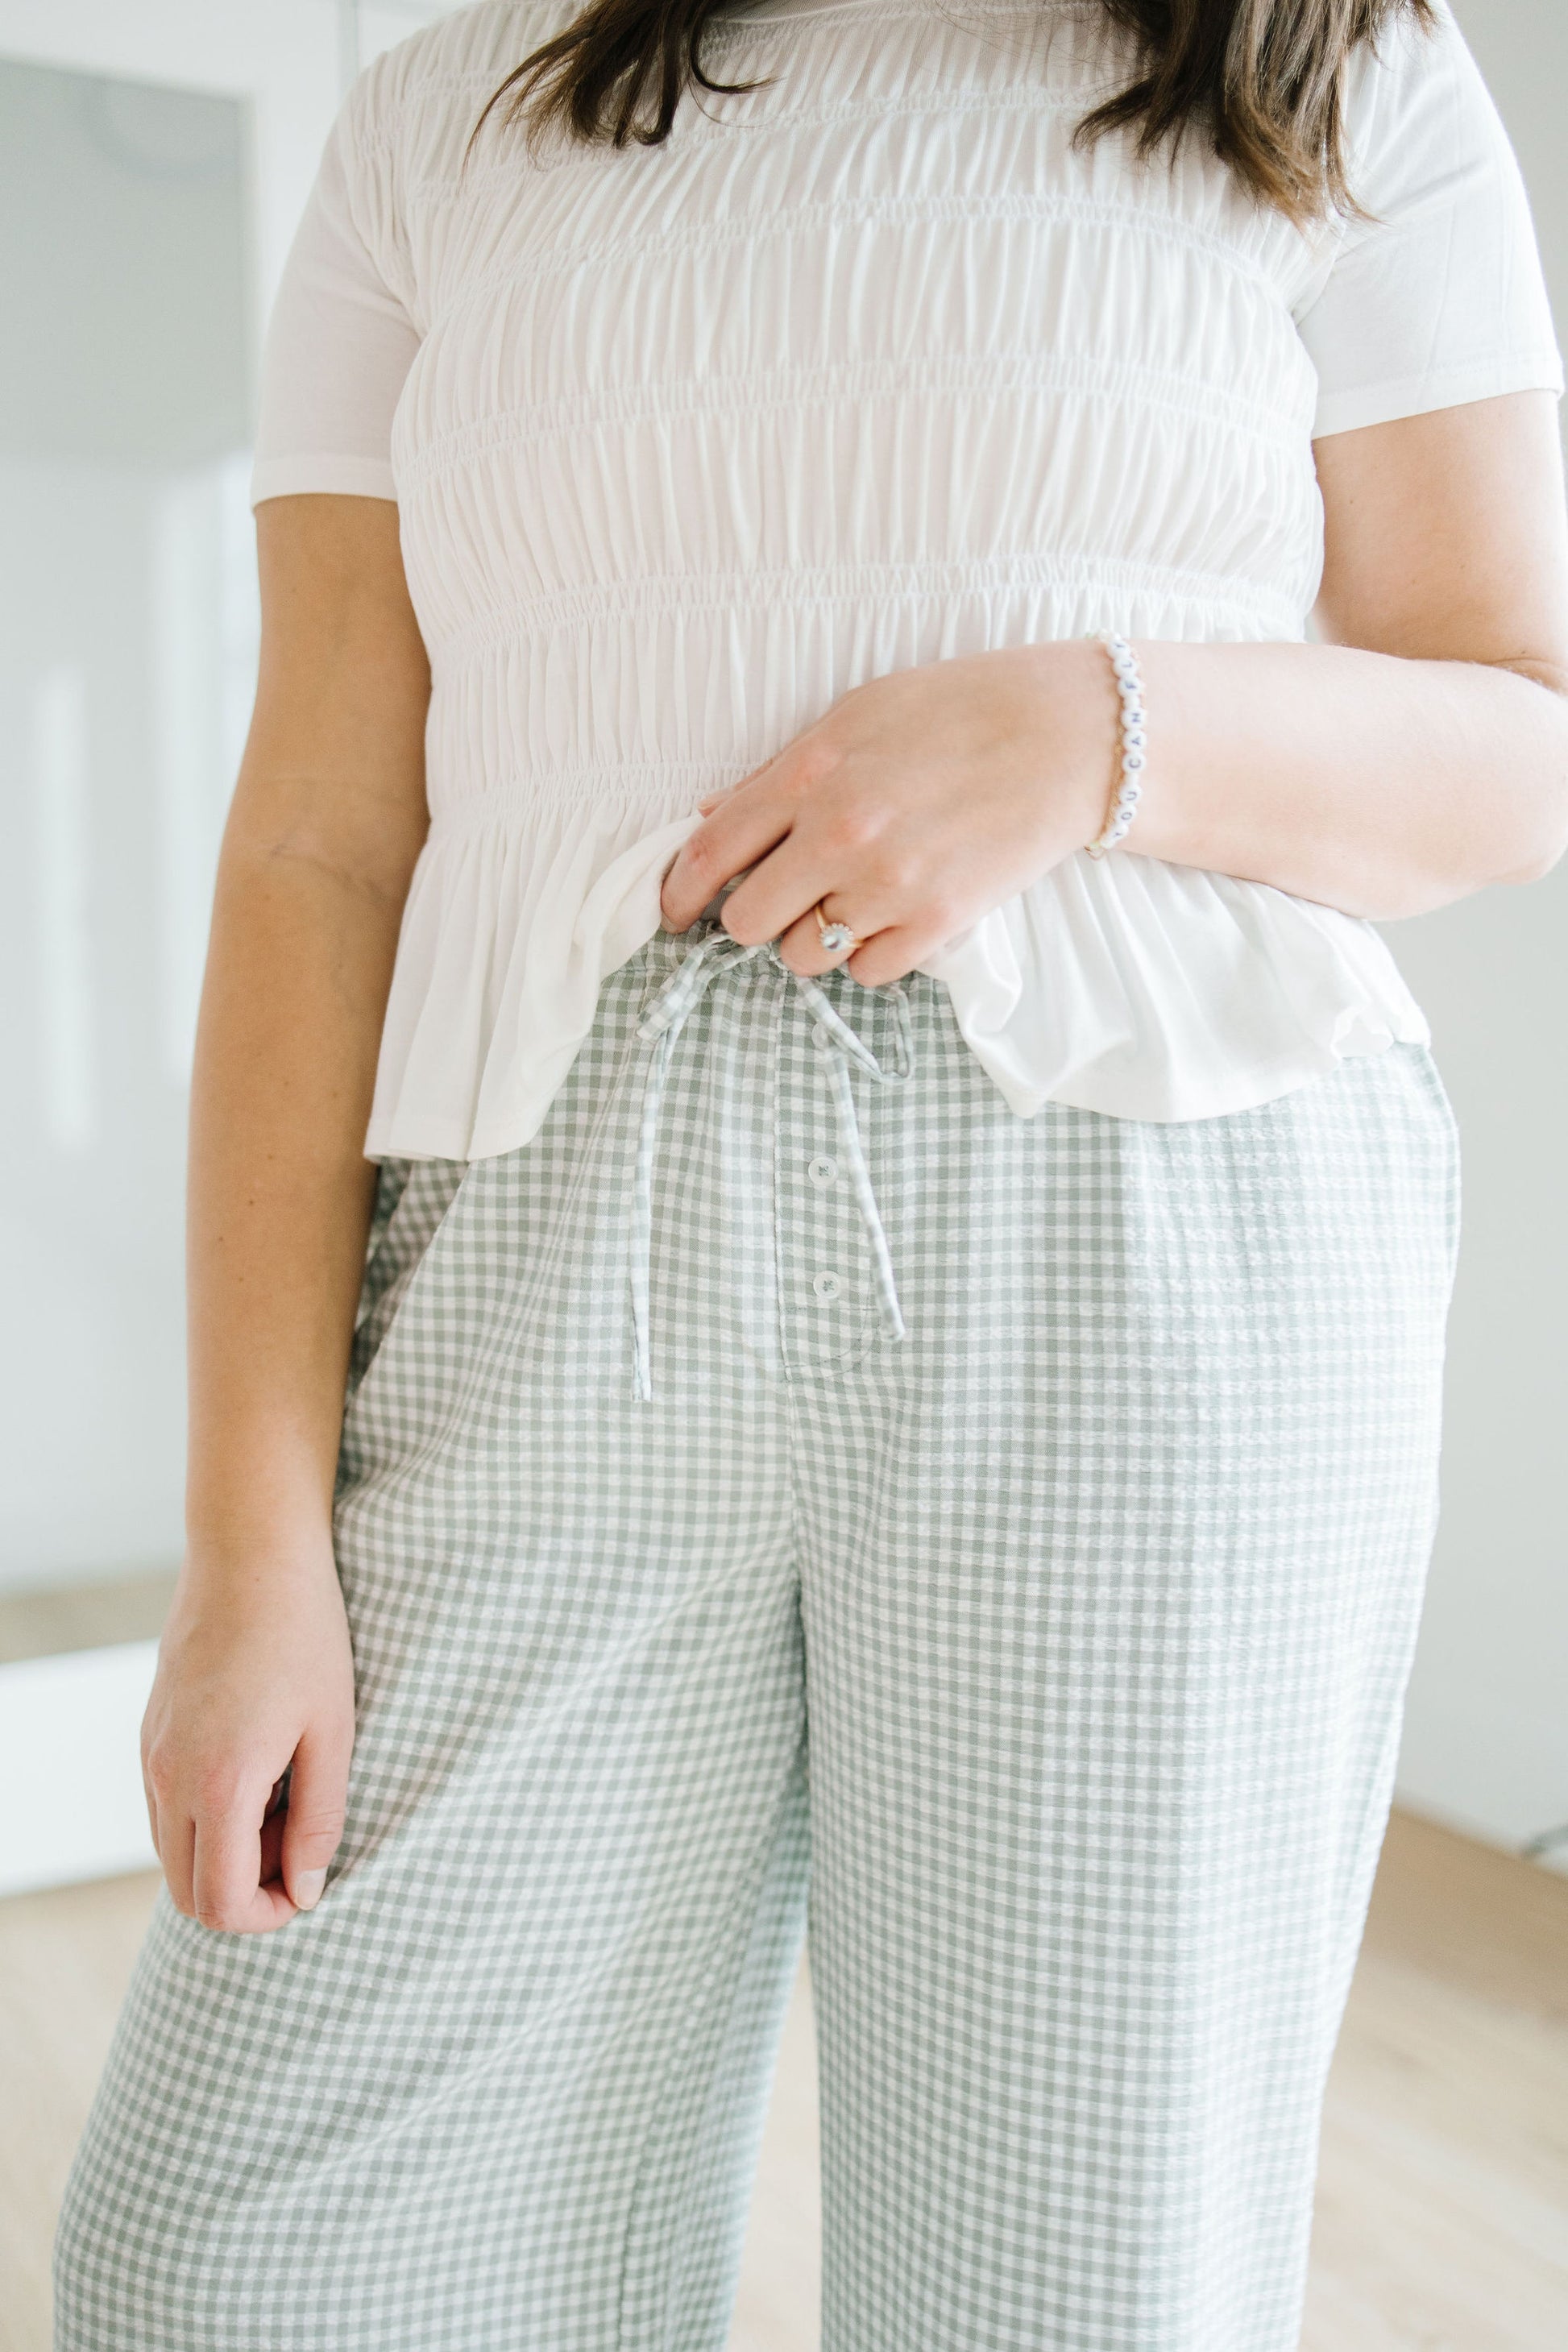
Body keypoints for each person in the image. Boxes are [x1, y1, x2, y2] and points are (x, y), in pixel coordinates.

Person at [54, 0, 1568, 2346]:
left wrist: (1098, 733)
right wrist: (250, 1544)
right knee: (245, 2265)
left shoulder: (1331, 63)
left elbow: (1518, 736)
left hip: (1150, 1256)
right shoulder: (444, 115)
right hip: (536, 1258)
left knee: (1069, 2282)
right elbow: (321, 839)